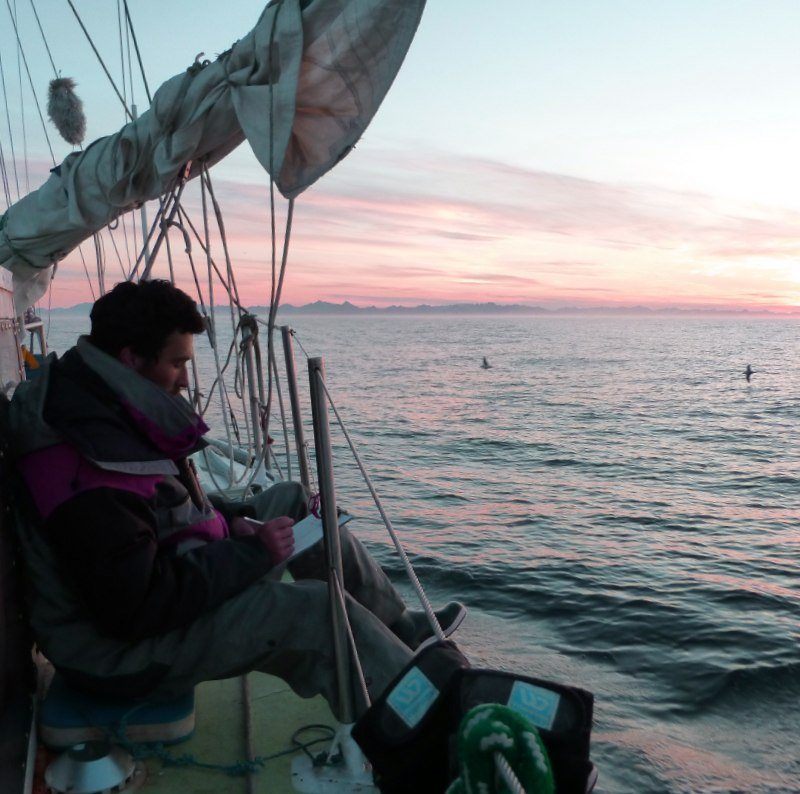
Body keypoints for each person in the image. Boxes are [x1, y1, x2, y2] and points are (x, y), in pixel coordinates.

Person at [7, 280, 465, 720]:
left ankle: (400, 629)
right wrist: (251, 552)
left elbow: (155, 510)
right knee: (315, 611)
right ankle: (425, 735)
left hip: (158, 579)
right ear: (131, 359)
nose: (186, 380)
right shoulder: (83, 462)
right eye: (177, 363)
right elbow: (135, 607)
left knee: (291, 500)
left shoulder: (98, 402)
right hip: (115, 655)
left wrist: (233, 521)